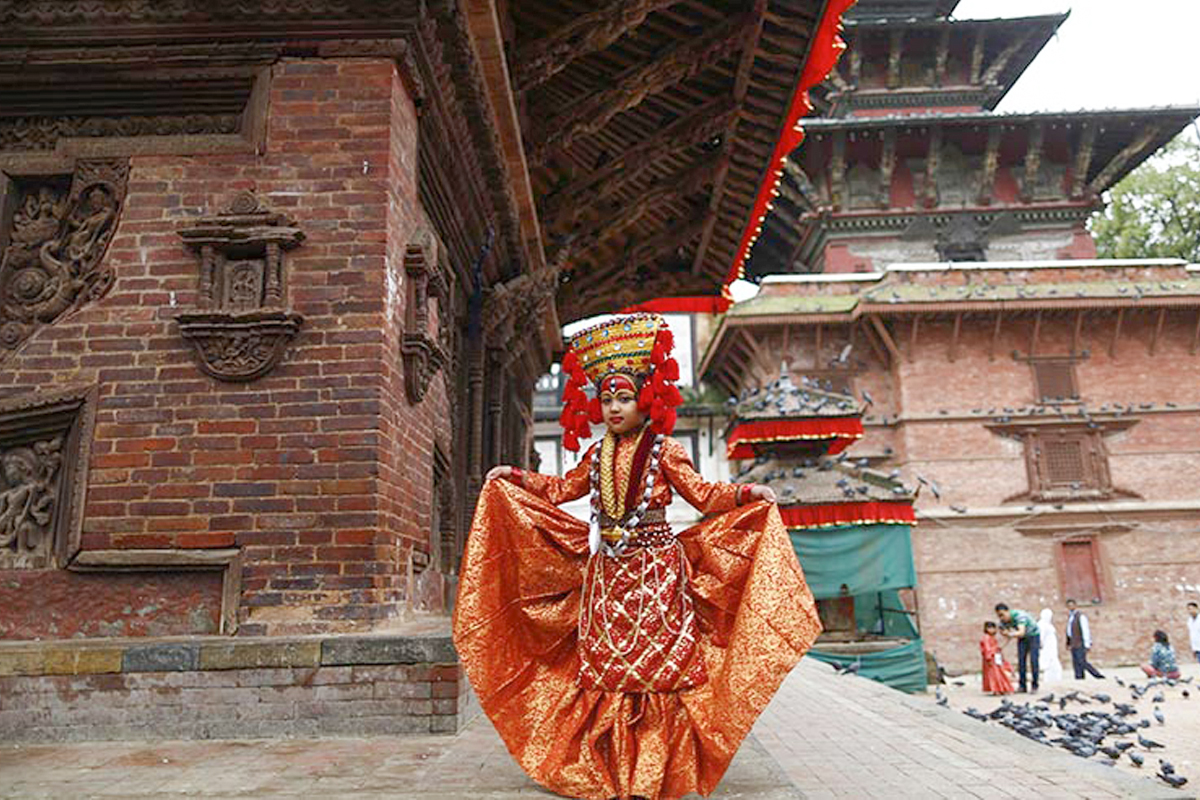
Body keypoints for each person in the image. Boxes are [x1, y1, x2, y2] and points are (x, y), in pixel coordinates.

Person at [453, 313, 822, 800]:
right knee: (605, 664)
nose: (613, 408)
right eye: (605, 399)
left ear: (645, 400)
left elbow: (703, 495)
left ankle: (656, 772)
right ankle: (607, 768)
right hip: (607, 573)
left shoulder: (665, 451)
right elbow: (562, 489)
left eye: (623, 398)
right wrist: (514, 480)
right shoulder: (596, 455)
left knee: (660, 667)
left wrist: (748, 494)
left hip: (657, 574)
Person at [996, 603, 1040, 693]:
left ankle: (1035, 685)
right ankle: (1022, 686)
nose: (1001, 618)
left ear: (1008, 611)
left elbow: (1021, 632)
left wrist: (1009, 634)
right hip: (1022, 638)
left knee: (1033, 660)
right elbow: (1006, 634)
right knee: (1021, 661)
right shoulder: (1003, 622)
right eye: (999, 616)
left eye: (1002, 615)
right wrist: (1002, 646)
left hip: (1033, 636)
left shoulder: (1019, 616)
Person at [1064, 599, 1105, 679]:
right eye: (1069, 606)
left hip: (1080, 643)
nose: (1070, 607)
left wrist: (1087, 644)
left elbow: (1085, 630)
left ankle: (1097, 675)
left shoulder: (1080, 616)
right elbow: (1069, 631)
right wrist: (1068, 643)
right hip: (1073, 643)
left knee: (1082, 661)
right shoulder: (1070, 617)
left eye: (1072, 605)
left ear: (1075, 605)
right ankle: (1079, 677)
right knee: (1076, 662)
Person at [980, 621, 1014, 695]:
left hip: (995, 657)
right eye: (989, 628)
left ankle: (1001, 688)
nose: (991, 630)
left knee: (999, 673)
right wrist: (988, 657)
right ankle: (996, 689)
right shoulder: (986, 638)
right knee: (994, 674)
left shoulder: (992, 637)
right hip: (991, 658)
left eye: (993, 628)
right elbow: (987, 648)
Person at [1038, 608, 1063, 684]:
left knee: (1054, 661)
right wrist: (1040, 644)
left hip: (1051, 645)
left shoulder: (1048, 624)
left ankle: (1055, 678)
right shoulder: (1041, 624)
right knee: (1049, 661)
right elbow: (1041, 636)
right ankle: (1049, 678)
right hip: (1047, 646)